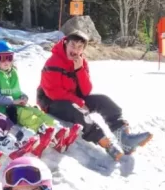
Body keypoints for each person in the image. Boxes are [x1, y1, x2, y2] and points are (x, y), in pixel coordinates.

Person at [37, 30, 153, 161]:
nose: (75, 50)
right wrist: (79, 102)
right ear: (65, 43)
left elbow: (86, 91)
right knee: (78, 112)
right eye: (72, 45)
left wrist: (79, 69)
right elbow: (53, 92)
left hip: (72, 97)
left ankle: (125, 140)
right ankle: (106, 143)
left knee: (103, 101)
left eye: (80, 47)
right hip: (51, 102)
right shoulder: (53, 62)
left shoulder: (81, 62)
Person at [0, 40, 81, 157]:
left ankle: (57, 128)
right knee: (26, 114)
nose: (7, 61)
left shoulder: (10, 72)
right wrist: (13, 101)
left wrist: (23, 96)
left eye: (10, 57)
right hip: (1, 109)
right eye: (3, 58)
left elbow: (15, 91)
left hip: (14, 103)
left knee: (35, 110)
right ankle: (44, 130)